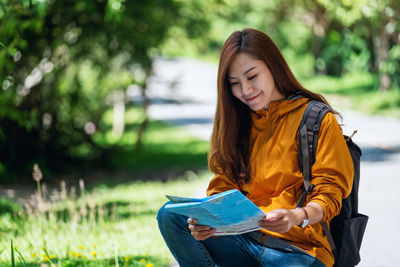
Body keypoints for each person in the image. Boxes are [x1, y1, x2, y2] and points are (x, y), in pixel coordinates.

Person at [157, 28, 353, 267]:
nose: (245, 91)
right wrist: (207, 223)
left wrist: (296, 216)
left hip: (298, 251)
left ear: (273, 67)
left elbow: (330, 194)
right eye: (234, 84)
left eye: (252, 77)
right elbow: (223, 187)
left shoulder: (317, 119)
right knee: (170, 215)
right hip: (242, 242)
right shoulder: (237, 123)